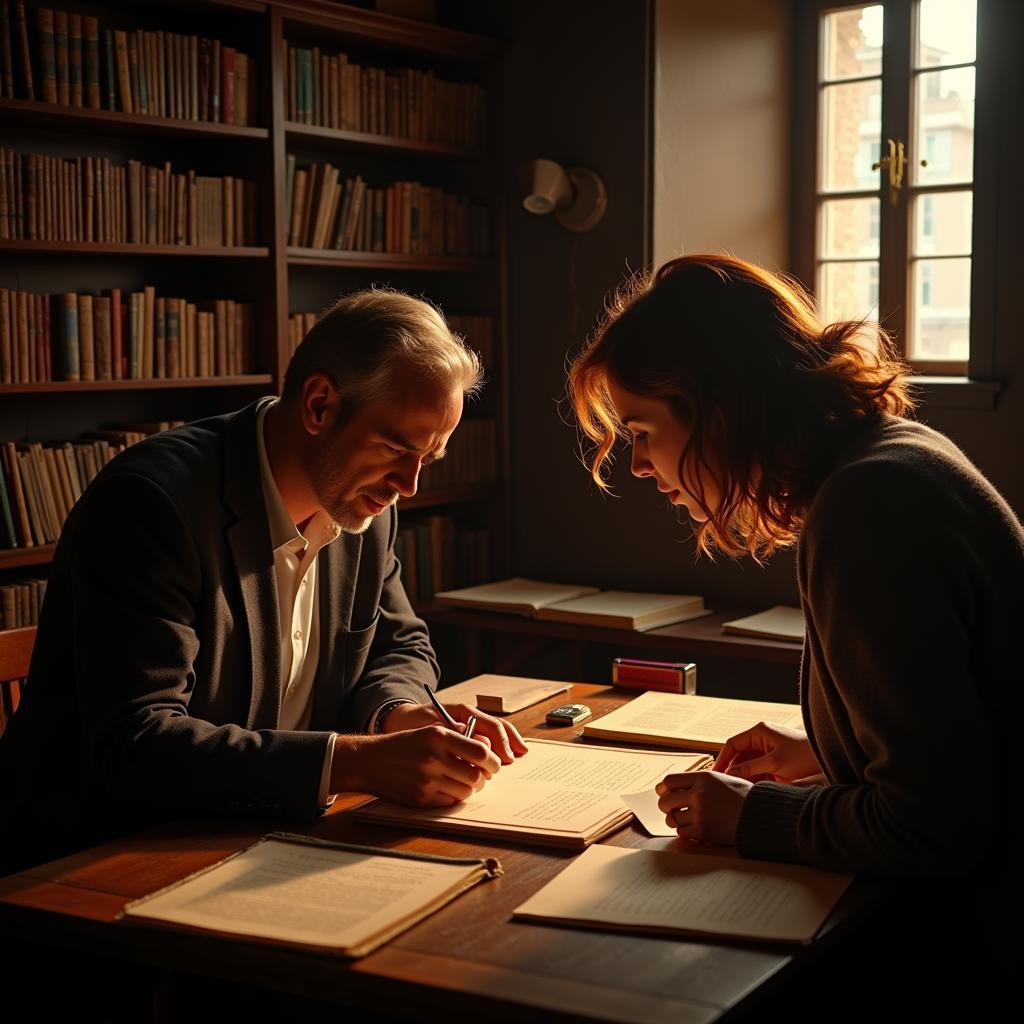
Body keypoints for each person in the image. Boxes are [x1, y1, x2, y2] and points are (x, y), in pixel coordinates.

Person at [568, 254, 1020, 996]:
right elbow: (970, 729)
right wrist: (825, 751)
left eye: (644, 429)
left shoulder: (865, 507)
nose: (640, 464)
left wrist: (754, 816)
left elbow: (934, 826)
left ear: (720, 407)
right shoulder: (893, 457)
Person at [0, 288, 526, 875]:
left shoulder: (367, 503)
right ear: (320, 404)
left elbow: (401, 645)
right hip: (101, 857)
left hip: (271, 837)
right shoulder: (153, 504)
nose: (410, 484)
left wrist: (397, 713)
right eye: (396, 448)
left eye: (430, 457)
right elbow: (137, 745)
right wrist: (354, 762)